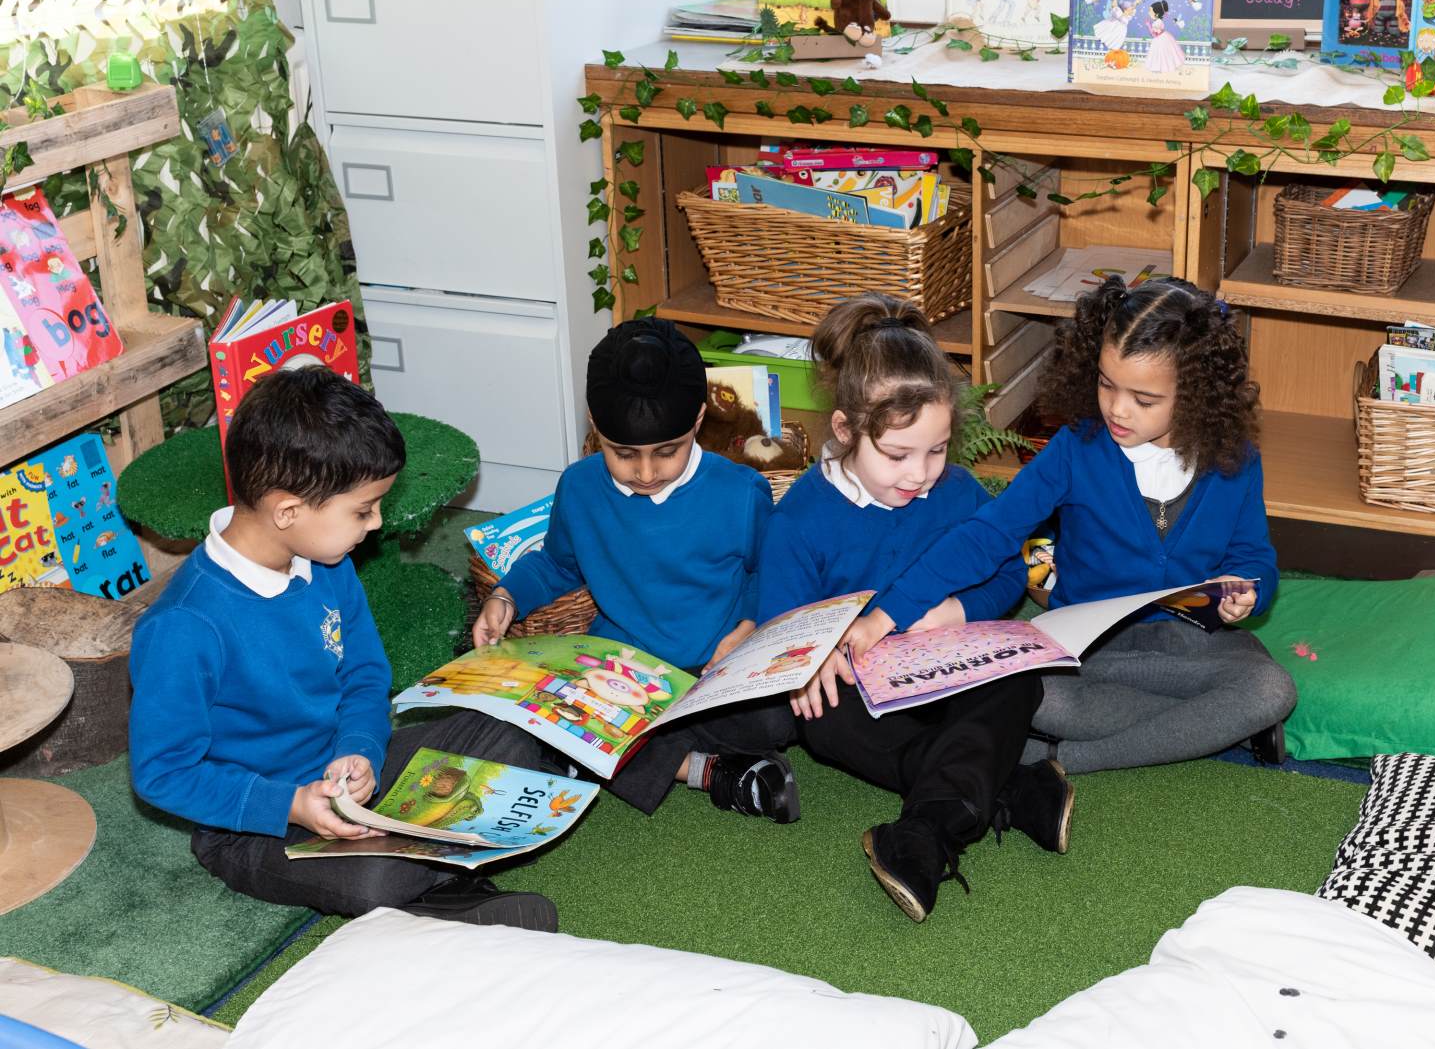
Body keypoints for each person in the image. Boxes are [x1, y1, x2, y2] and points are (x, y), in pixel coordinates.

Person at [129, 367, 557, 927]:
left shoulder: (324, 561)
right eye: (362, 510)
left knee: (513, 729)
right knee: (376, 879)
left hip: (347, 777)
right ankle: (447, 894)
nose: (375, 524)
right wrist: (289, 804)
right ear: (288, 511)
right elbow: (162, 771)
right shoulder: (184, 627)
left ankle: (433, 880)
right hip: (257, 824)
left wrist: (361, 748)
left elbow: (364, 675)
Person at [871, 276, 1293, 776]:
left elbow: (1253, 556)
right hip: (1088, 649)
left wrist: (1248, 590)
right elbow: (987, 534)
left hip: (1191, 646)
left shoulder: (1234, 461)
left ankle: (1057, 759)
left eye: (1144, 399)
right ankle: (1218, 725)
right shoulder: (1076, 449)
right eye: (1106, 383)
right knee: (1034, 694)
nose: (1117, 408)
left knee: (1272, 688)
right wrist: (890, 611)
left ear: (1196, 394)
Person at [757, 294, 1068, 922]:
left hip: (946, 673)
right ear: (845, 430)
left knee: (1018, 680)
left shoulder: (956, 491)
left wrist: (959, 611)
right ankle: (1003, 789)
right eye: (897, 455)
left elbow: (1008, 573)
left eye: (937, 449)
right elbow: (778, 625)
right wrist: (809, 663)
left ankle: (926, 831)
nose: (920, 474)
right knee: (821, 717)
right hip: (866, 695)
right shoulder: (801, 519)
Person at [471, 318, 794, 823]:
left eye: (667, 452)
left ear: (699, 420)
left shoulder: (739, 492)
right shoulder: (579, 488)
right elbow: (557, 563)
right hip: (619, 670)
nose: (645, 473)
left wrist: (749, 626)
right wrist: (505, 597)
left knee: (776, 723)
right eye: (623, 454)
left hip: (714, 668)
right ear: (595, 428)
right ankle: (707, 772)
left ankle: (608, 752)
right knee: (555, 715)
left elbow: (767, 573)